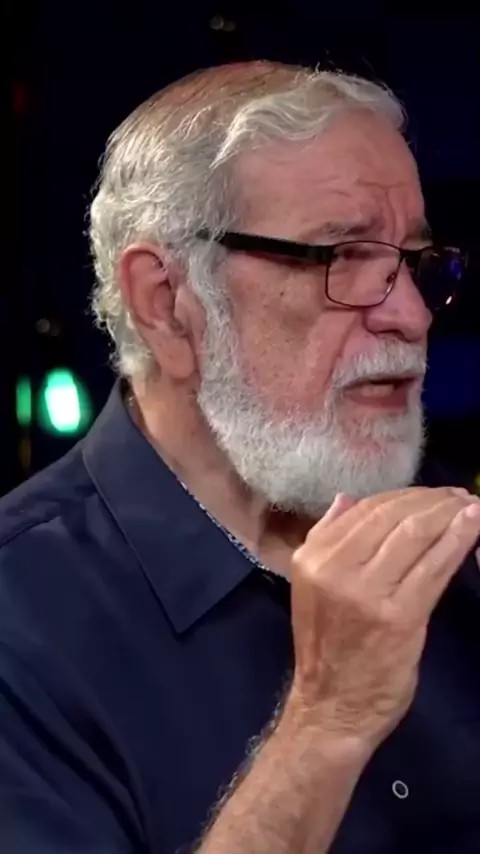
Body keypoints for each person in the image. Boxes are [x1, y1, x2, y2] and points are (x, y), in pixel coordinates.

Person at [0, 60, 479, 854]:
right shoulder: (21, 621)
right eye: (343, 258)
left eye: (415, 262)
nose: (410, 315)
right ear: (167, 304)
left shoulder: (447, 543)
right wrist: (328, 722)